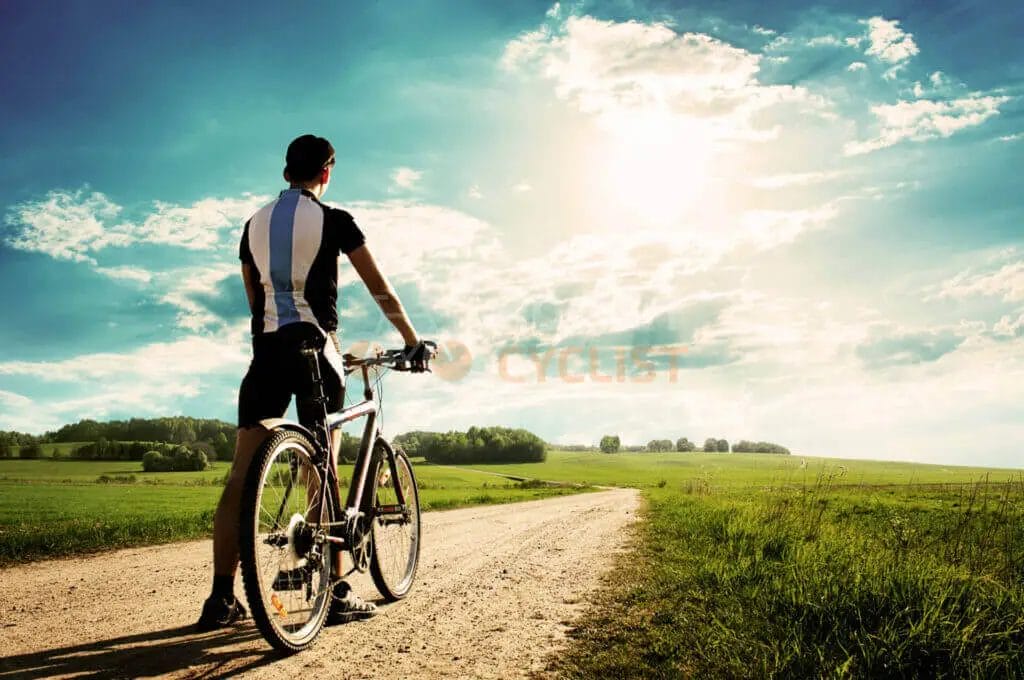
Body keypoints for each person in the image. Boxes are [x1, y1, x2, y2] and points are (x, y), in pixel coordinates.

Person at [196, 134, 433, 630]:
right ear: (326, 172)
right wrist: (411, 339)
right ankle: (336, 590)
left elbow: (254, 301)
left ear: (286, 172)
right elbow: (380, 289)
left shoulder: (251, 225)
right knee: (321, 467)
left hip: (266, 352)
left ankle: (220, 599)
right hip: (316, 351)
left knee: (241, 476)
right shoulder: (335, 220)